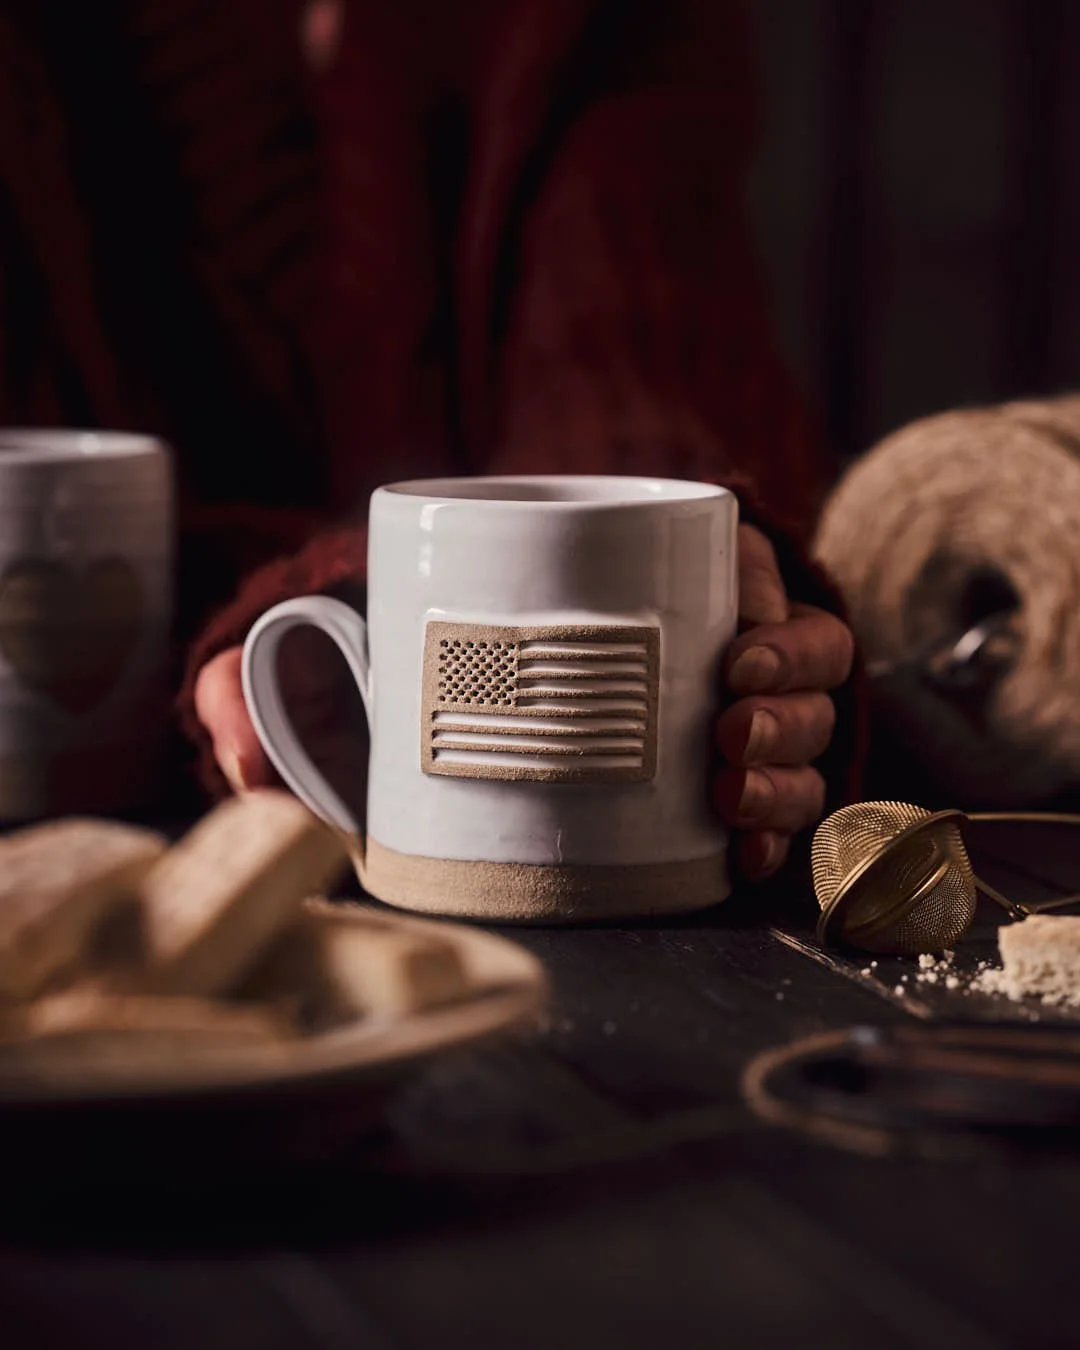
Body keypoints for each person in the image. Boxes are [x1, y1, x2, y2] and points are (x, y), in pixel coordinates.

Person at [0, 0, 857, 880]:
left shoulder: (581, 27)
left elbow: (645, 380)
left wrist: (710, 573)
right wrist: (380, 601)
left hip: (549, 910)